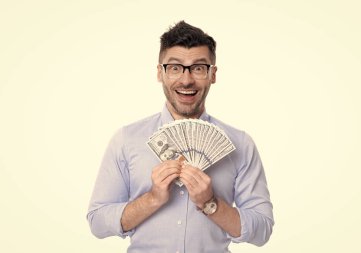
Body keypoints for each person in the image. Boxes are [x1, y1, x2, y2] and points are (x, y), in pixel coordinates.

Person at [87, 21, 274, 253]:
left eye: (198, 68)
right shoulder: (126, 140)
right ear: (160, 73)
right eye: (175, 68)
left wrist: (210, 204)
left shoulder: (241, 144)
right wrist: (152, 198)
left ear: (212, 74)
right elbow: (97, 221)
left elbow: (263, 229)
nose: (186, 80)